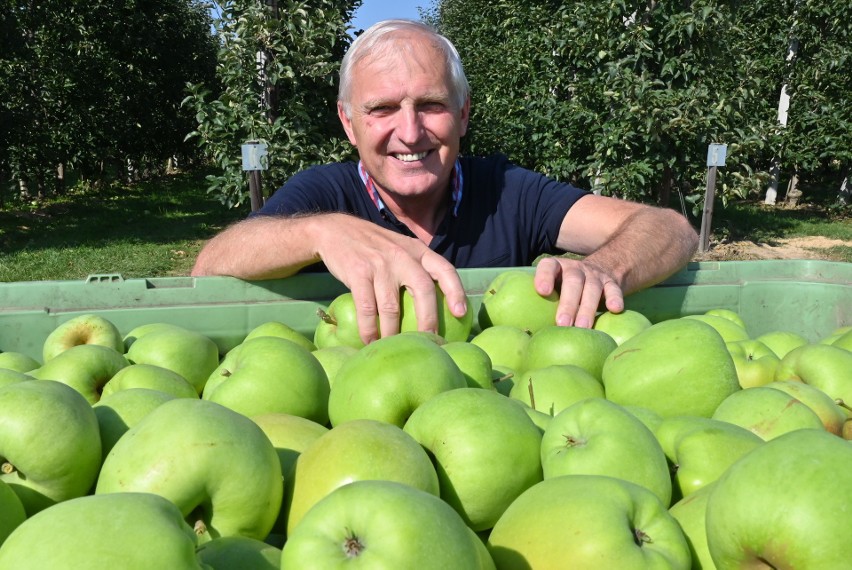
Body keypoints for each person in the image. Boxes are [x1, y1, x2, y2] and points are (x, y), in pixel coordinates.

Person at [192, 19, 699, 345]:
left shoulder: (508, 192)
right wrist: (318, 234)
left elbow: (670, 228)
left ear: (462, 114)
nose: (409, 132)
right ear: (349, 123)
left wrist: (604, 267)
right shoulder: (323, 196)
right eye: (383, 109)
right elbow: (211, 265)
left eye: (430, 105)